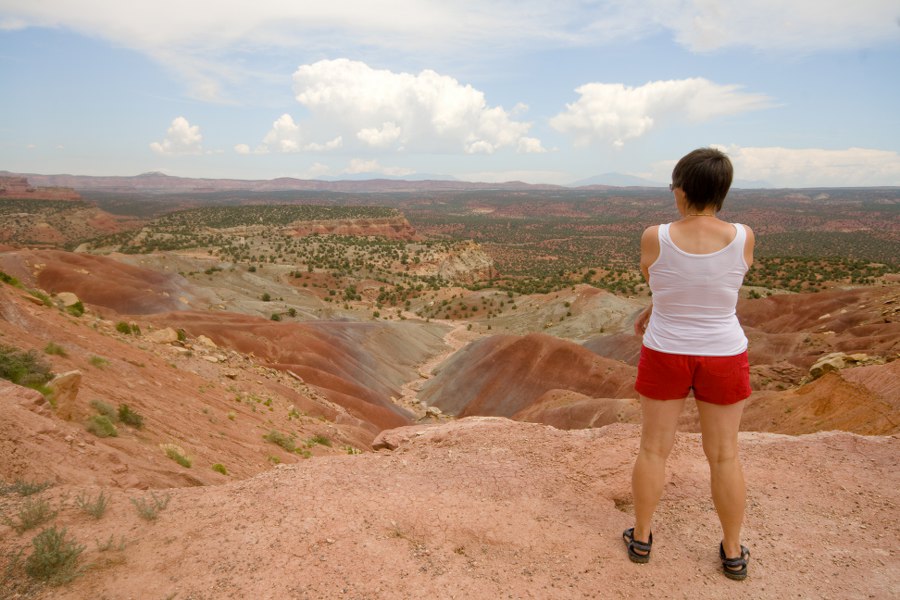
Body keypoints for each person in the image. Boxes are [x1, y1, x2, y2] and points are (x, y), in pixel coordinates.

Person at [624, 147, 754, 580]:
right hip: (724, 352)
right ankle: (732, 552)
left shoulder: (653, 236)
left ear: (680, 190)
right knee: (724, 455)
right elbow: (714, 285)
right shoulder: (743, 236)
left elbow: (663, 281)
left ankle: (642, 538)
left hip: (666, 351)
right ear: (722, 192)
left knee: (653, 449)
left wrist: (654, 309)